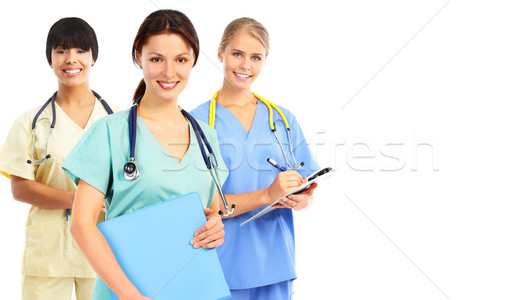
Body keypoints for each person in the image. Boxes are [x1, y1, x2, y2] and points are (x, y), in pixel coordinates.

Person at [62, 10, 227, 300]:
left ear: (193, 61)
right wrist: (131, 296)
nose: (169, 72)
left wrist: (216, 228)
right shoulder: (109, 132)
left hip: (195, 287)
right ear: (139, 57)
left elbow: (211, 212)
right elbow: (81, 224)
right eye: (156, 59)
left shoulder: (206, 136)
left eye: (181, 60)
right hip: (126, 292)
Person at [189, 17, 319, 299]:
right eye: (237, 54)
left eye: (255, 57)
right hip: (221, 262)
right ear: (220, 53)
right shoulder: (196, 122)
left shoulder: (283, 119)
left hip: (275, 262)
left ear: (265, 60)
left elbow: (307, 189)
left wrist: (303, 199)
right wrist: (268, 193)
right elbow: (200, 206)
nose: (245, 65)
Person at [0, 17, 117, 300]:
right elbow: (20, 187)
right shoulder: (31, 122)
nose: (70, 59)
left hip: (105, 251)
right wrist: (77, 200)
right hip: (50, 255)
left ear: (93, 56)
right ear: (50, 59)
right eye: (61, 50)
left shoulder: (119, 120)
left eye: (80, 50)